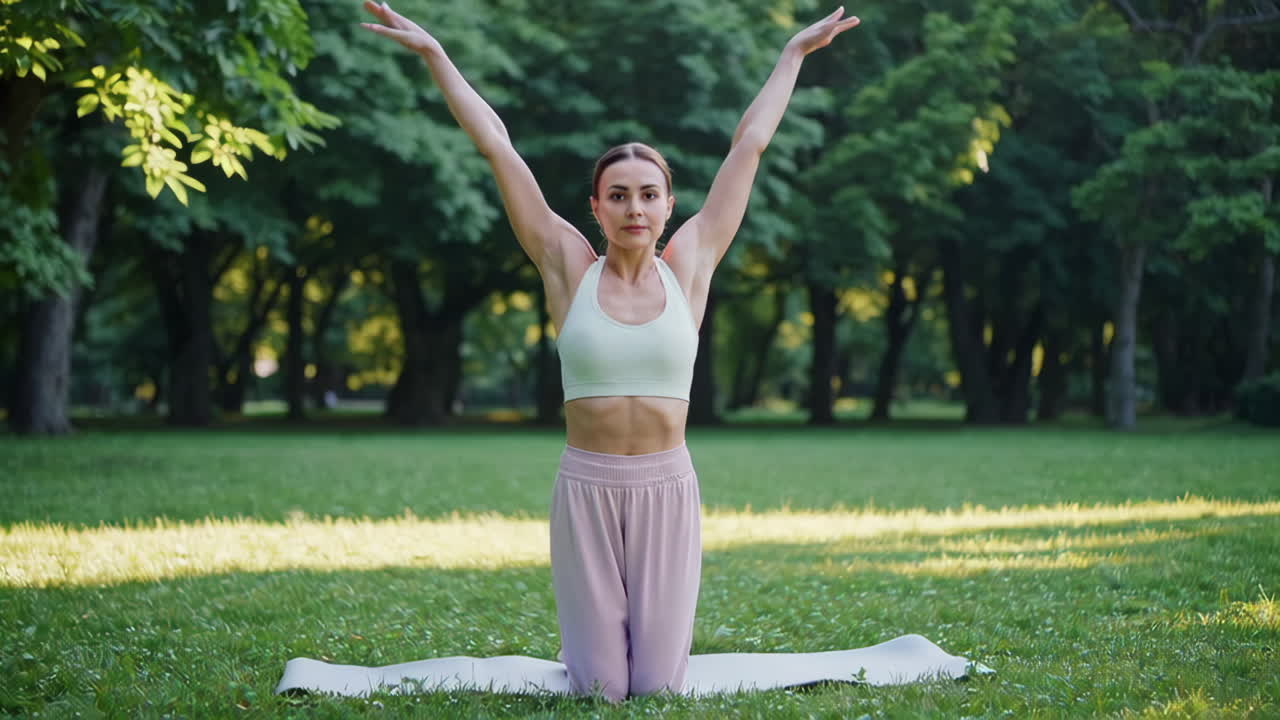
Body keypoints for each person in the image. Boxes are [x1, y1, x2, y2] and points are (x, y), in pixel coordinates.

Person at [357, 0, 860, 702]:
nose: (634, 209)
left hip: (668, 487)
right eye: (618, 196)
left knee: (656, 687)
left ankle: (628, 646)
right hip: (586, 488)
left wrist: (792, 55)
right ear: (595, 207)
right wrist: (437, 56)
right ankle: (592, 644)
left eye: (648, 195)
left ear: (668, 205)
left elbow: (748, 146)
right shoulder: (568, 267)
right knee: (599, 689)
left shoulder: (691, 265)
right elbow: (498, 146)